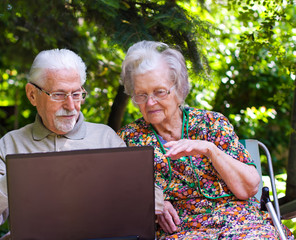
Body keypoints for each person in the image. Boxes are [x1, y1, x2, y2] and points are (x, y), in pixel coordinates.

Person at [117, 40, 294, 239]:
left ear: (179, 89)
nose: (150, 102)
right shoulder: (128, 140)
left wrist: (211, 150)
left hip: (240, 223)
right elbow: (118, 196)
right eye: (141, 95)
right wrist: (154, 201)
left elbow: (249, 188)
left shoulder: (212, 124)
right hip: (183, 231)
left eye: (159, 92)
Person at [0, 49, 126, 232]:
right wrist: (14, 177)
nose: (71, 106)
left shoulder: (106, 139)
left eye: (76, 94)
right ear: (32, 94)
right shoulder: (10, 145)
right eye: (58, 94)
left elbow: (134, 200)